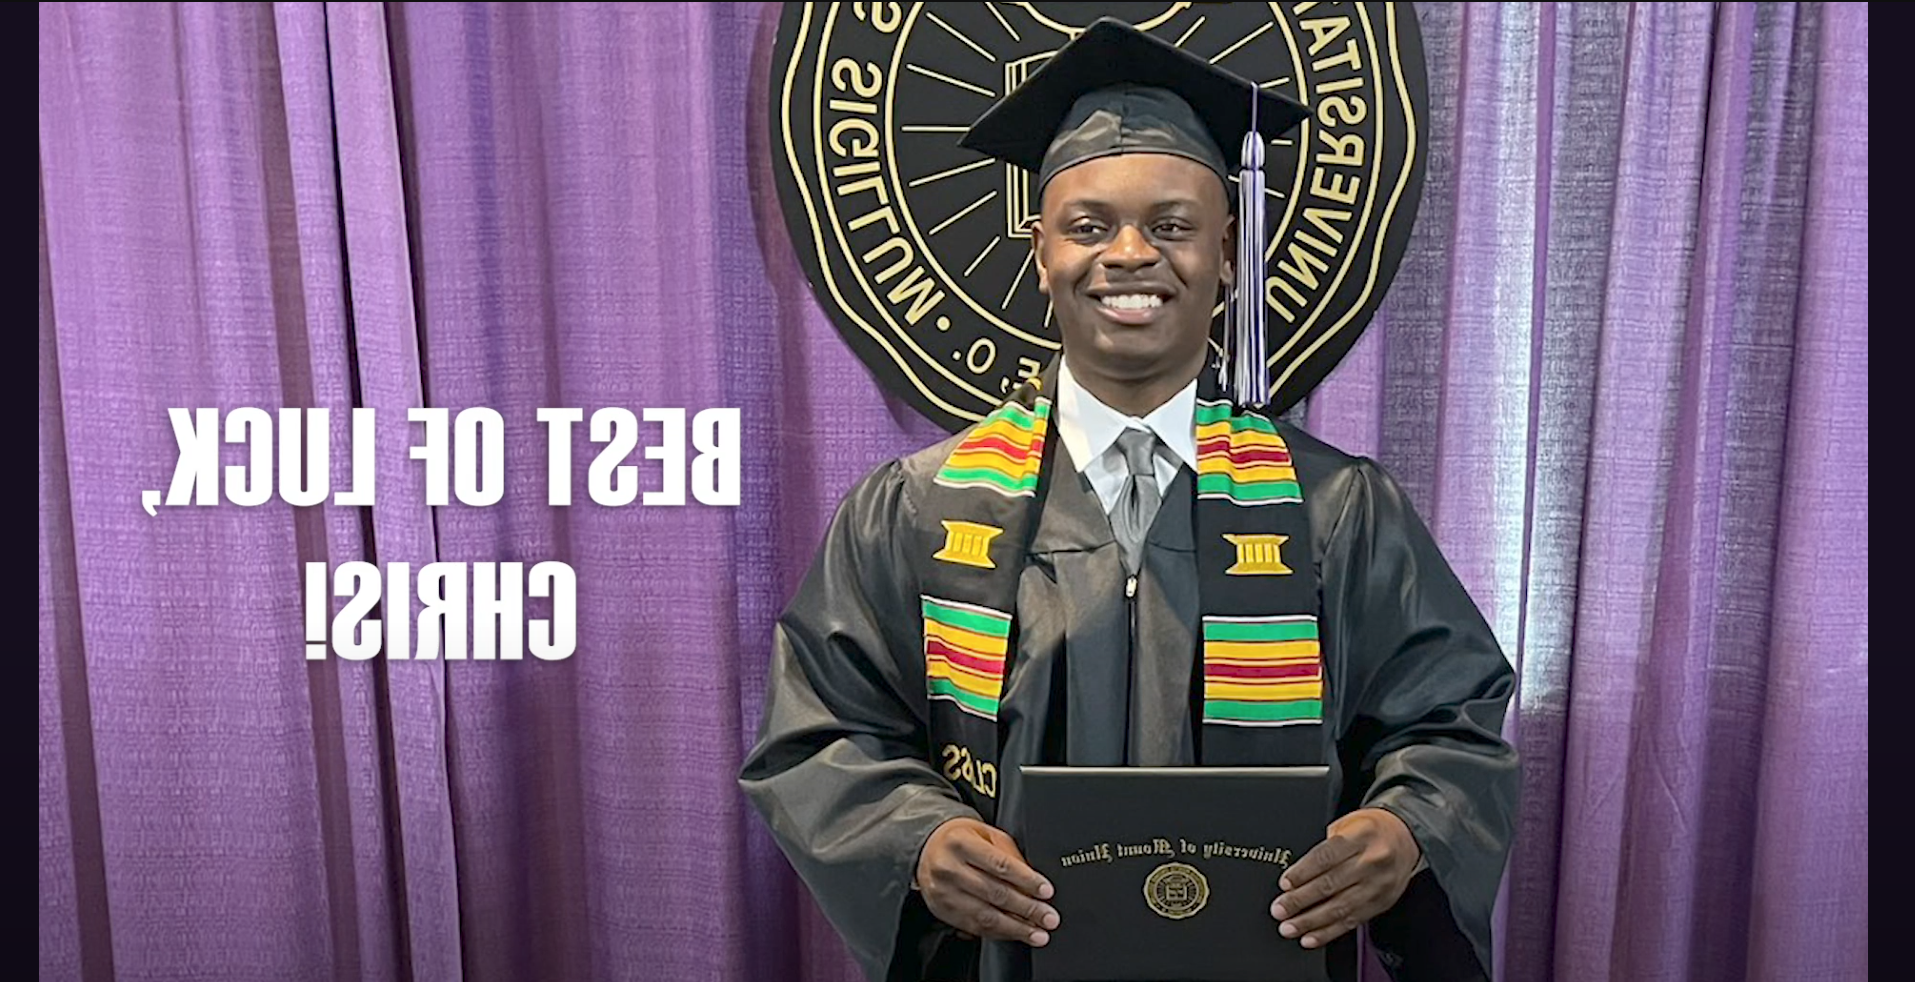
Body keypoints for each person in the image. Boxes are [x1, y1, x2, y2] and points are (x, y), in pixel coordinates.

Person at [741, 19, 1516, 982]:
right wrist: (915, 839)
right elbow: (823, 727)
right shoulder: (918, 511)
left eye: (1173, 225)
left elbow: (1446, 725)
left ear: (1226, 256)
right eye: (1088, 225)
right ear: (1041, 255)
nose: (1130, 254)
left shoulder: (1336, 511)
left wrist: (1404, 828)